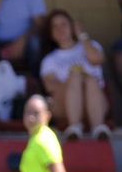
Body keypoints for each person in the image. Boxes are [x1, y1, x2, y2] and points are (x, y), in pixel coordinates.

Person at [38, 9, 110, 140]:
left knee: (90, 80)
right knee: (75, 76)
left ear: (72, 26)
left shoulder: (91, 46)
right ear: (50, 33)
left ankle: (98, 128)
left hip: (95, 103)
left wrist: (81, 35)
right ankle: (74, 127)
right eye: (55, 26)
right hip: (64, 107)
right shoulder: (49, 60)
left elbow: (97, 59)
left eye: (63, 24)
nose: (60, 29)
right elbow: (51, 87)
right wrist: (74, 80)